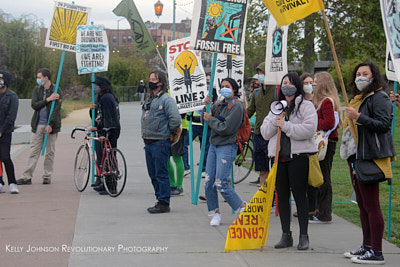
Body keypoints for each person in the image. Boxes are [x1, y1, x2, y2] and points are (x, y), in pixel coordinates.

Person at [342, 62, 395, 264]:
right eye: (358, 74)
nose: (361, 77)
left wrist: (359, 117)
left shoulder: (379, 97)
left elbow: (383, 125)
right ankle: (367, 245)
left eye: (365, 73)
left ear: (374, 77)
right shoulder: (358, 99)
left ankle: (377, 251)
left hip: (370, 156)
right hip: (355, 156)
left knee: (372, 205)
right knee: (362, 205)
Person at [261, 73, 318, 250]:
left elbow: (308, 129)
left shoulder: (306, 106)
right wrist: (276, 121)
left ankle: (303, 235)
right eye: (284, 82)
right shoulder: (276, 107)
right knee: (282, 197)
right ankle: (286, 235)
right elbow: (265, 132)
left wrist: (286, 126)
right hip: (279, 159)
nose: (287, 85)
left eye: (291, 83)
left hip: (298, 158)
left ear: (297, 86)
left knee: (300, 195)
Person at [203, 78, 247, 226]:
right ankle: (214, 212)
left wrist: (210, 120)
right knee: (209, 182)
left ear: (234, 89)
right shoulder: (219, 105)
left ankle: (241, 207)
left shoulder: (237, 107)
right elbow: (206, 118)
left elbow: (226, 128)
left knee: (221, 182)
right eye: (222, 86)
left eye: (227, 86)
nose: (224, 89)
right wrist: (206, 106)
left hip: (227, 146)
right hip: (214, 146)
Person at [141, 70, 181, 214]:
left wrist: (166, 132)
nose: (151, 81)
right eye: (150, 78)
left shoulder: (166, 99)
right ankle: (159, 198)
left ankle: (164, 202)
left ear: (161, 82)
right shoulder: (149, 99)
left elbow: (175, 120)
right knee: (153, 174)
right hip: (149, 142)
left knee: (161, 173)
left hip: (160, 142)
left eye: (154, 79)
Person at [17, 68, 61, 185]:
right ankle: (27, 176)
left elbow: (56, 109)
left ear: (46, 78)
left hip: (51, 127)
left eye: (39, 77)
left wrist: (50, 124)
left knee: (50, 152)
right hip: (38, 124)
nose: (38, 79)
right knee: (34, 151)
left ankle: (47, 175)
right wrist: (48, 99)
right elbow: (34, 105)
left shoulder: (56, 90)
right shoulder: (37, 90)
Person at [310, 72, 342, 224]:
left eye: (316, 81)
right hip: (324, 142)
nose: (313, 84)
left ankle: (324, 213)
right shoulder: (322, 101)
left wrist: (312, 125)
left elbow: (329, 123)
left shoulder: (327, 102)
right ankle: (320, 211)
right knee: (321, 176)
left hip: (327, 143)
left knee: (324, 177)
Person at [90, 76, 121, 195]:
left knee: (110, 157)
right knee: (105, 157)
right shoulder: (102, 98)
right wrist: (98, 128)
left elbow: (108, 118)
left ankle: (112, 186)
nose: (95, 88)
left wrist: (104, 132)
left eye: (97, 86)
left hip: (111, 130)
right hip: (107, 128)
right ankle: (104, 184)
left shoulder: (107, 98)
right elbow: (101, 117)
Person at [292, 73, 317, 219]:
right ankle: (307, 209)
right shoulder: (296, 103)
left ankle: (312, 209)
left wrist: (288, 127)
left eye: (311, 82)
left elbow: (308, 128)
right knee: (301, 185)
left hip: (312, 147)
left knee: (313, 181)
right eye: (306, 82)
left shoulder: (314, 102)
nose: (309, 85)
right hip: (298, 150)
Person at [247, 62, 276, 187]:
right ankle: (264, 198)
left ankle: (274, 196)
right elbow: (249, 111)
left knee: (273, 169)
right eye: (259, 73)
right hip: (258, 134)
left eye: (262, 73)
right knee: (262, 170)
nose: (260, 76)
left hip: (272, 135)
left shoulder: (277, 91)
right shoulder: (257, 92)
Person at [0, 70, 19, 194]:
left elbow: (11, 116)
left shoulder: (12, 96)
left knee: (5, 157)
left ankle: (12, 182)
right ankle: (0, 182)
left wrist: (1, 131)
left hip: (5, 132)